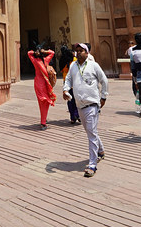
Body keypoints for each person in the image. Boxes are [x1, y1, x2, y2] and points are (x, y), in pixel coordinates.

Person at [62, 42, 108, 177]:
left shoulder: (94, 66)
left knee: (91, 133)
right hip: (80, 105)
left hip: (92, 104)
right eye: (77, 50)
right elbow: (68, 79)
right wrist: (65, 90)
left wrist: (104, 97)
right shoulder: (73, 66)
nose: (78, 52)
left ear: (87, 53)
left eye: (81, 50)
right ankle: (101, 150)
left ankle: (92, 165)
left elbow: (104, 80)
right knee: (90, 131)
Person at [27, 44, 56, 128]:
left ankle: (43, 119)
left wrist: (35, 52)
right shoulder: (45, 60)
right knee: (44, 102)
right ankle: (43, 121)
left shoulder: (35, 60)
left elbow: (29, 53)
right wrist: (44, 51)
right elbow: (52, 53)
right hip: (42, 83)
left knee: (43, 102)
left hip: (41, 83)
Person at [59, 44, 81, 124]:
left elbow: (61, 70)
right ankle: (77, 115)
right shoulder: (74, 60)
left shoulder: (62, 61)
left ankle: (72, 117)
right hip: (75, 81)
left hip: (66, 82)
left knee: (70, 99)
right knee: (76, 99)